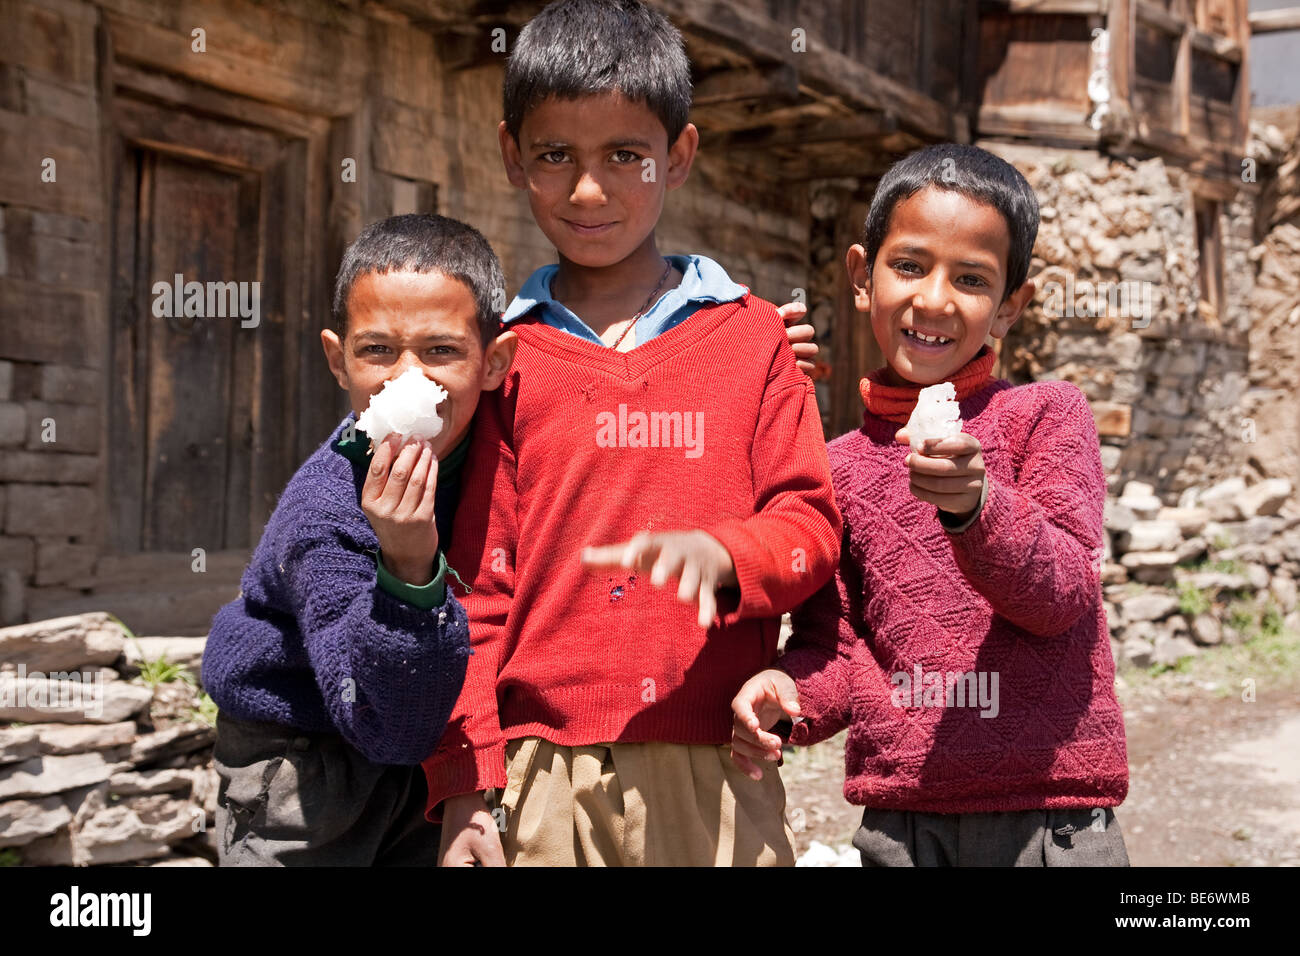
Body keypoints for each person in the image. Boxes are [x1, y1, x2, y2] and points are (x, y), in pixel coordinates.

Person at [425, 0, 841, 867]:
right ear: (512, 156)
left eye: (626, 155)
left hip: (716, 769)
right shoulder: (507, 357)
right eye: (554, 156)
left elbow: (811, 531)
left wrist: (731, 556)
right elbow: (478, 587)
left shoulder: (753, 336)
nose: (589, 190)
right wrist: (467, 780)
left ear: (678, 156)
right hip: (543, 779)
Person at [731, 143, 1131, 867]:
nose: (935, 300)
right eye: (909, 266)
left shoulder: (1046, 416)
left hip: (1048, 818)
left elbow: (1063, 590)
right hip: (904, 825)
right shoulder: (840, 466)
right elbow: (841, 646)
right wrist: (786, 694)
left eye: (972, 279)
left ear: (1011, 306)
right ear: (863, 276)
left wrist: (978, 509)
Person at [201, 214, 517, 865]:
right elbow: (388, 725)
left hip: (426, 732)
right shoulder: (328, 512)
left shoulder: (506, 432)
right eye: (377, 351)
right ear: (337, 360)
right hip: (302, 763)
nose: (407, 381)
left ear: (495, 363)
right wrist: (407, 564)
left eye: (440, 352)